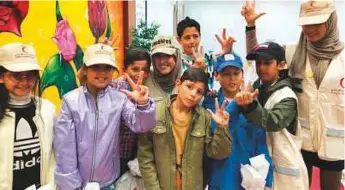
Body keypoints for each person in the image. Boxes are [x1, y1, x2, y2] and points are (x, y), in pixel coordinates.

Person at [242, 0, 344, 189]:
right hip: (301, 143)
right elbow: (260, 58)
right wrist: (250, 27)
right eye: (306, 24)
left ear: (330, 21)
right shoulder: (292, 52)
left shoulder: (343, 57)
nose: (310, 29)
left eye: (317, 23)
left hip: (334, 143)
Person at [54, 43, 156, 190]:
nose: (102, 73)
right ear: (85, 70)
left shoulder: (119, 99)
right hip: (77, 183)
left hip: (108, 182)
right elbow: (65, 150)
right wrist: (71, 185)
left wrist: (143, 104)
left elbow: (140, 125)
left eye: (107, 68)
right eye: (96, 67)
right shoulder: (71, 101)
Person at [138, 67, 232, 190]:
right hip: (162, 184)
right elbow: (145, 156)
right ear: (178, 84)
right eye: (189, 87)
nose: (193, 94)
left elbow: (219, 153)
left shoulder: (204, 117)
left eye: (199, 92)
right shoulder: (155, 112)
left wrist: (222, 127)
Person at [235, 41, 309, 190]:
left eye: (267, 63)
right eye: (258, 63)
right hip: (262, 172)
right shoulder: (256, 90)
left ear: (281, 65)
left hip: (286, 176)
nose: (261, 68)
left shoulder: (287, 96)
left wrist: (249, 106)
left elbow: (273, 121)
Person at [203, 53, 273, 190]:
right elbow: (211, 138)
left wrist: (268, 180)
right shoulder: (210, 103)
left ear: (242, 75)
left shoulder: (252, 104)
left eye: (236, 73)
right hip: (221, 176)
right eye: (226, 74)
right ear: (216, 76)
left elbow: (261, 143)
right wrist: (235, 104)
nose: (232, 78)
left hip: (248, 177)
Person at [0, 43, 56, 189]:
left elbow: (53, 156)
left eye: (30, 75)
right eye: (16, 75)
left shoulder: (47, 109)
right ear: (1, 76)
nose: (24, 82)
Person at [111, 48, 152, 176]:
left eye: (144, 70)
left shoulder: (147, 88)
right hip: (114, 154)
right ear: (125, 69)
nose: (140, 74)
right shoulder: (113, 88)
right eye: (135, 69)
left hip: (135, 153)